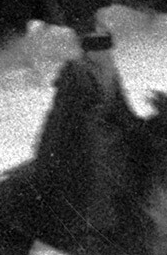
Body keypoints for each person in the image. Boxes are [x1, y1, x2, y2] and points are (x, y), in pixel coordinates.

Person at [31, 32, 143, 232]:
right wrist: (94, 121)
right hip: (73, 134)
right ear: (89, 53)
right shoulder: (74, 73)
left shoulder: (110, 72)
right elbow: (66, 113)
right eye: (100, 51)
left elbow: (120, 105)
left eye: (107, 51)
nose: (106, 55)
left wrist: (136, 126)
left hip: (103, 129)